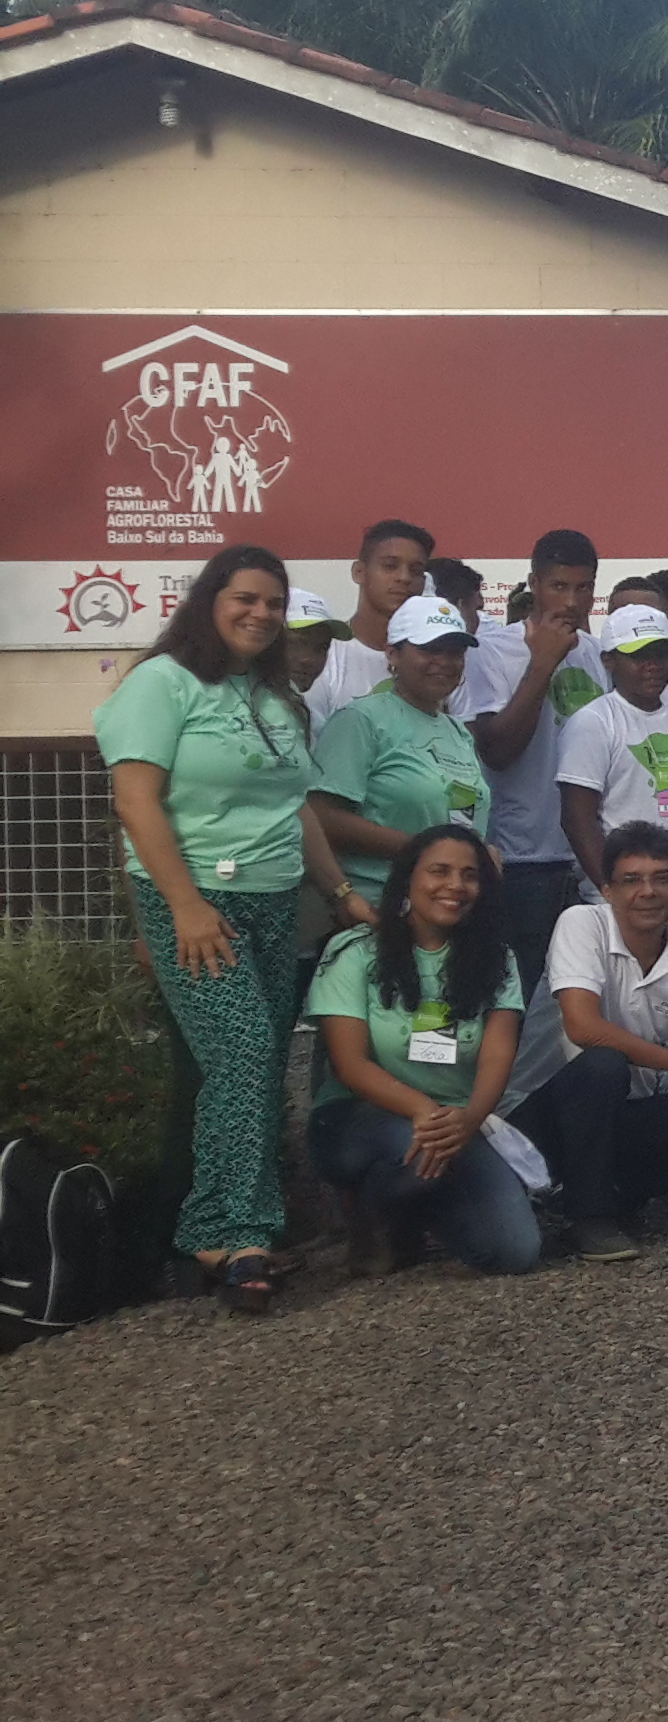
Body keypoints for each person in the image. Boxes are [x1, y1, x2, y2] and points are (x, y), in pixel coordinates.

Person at [100, 545, 359, 1313]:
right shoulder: (161, 684)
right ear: (210, 601)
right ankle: (229, 1232)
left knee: (255, 1060)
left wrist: (339, 891)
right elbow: (136, 803)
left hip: (275, 900)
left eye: (274, 604)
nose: (262, 614)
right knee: (243, 1053)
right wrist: (182, 906)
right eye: (246, 598)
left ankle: (219, 1228)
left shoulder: (275, 695)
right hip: (196, 898)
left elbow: (298, 807)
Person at [508, 820, 668, 1262]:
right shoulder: (581, 923)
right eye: (631, 880)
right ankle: (591, 1218)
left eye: (662, 878)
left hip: (621, 1110)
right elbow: (582, 1028)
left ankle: (611, 1194)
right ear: (607, 889)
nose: (647, 891)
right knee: (603, 1066)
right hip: (540, 1111)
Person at [305, 826, 536, 1277]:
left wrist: (468, 1119)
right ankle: (371, 1212)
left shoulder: (498, 958)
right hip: (359, 1118)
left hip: (454, 1122)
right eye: (439, 871)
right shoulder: (354, 952)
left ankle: (421, 1215)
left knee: (517, 1252)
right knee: (411, 1142)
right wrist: (425, 1111)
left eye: (470, 876)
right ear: (408, 878)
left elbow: (496, 1056)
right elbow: (349, 1064)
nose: (455, 885)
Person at [461, 529, 611, 973]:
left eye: (583, 588)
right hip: (521, 857)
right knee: (520, 996)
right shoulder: (489, 652)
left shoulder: (601, 656)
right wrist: (542, 662)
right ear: (534, 584)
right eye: (558, 587)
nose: (570, 602)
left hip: (590, 854)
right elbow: (497, 751)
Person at [557, 603, 668, 918]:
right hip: (623, 904)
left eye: (662, 653)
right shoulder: (594, 722)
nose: (653, 665)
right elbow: (577, 819)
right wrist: (614, 892)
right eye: (639, 655)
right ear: (609, 661)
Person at [307, 592, 487, 902]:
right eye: (430, 650)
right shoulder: (360, 720)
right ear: (393, 654)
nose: (444, 662)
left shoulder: (457, 731)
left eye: (455, 652)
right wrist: (430, 851)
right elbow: (323, 817)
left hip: (450, 908)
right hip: (379, 906)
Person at [307, 518, 438, 719]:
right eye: (389, 566)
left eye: (416, 571)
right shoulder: (325, 656)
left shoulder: (438, 661)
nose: (404, 577)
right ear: (359, 572)